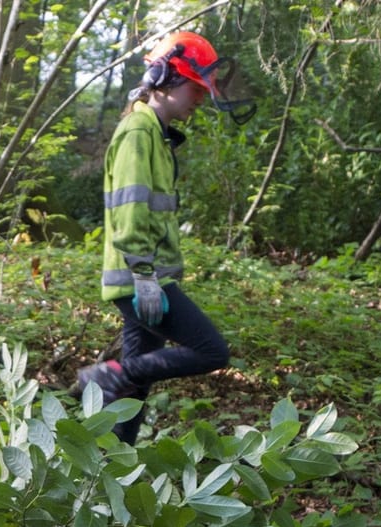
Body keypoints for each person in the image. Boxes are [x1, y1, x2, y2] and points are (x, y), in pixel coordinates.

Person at [75, 30, 241, 444]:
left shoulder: (156, 134)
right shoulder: (138, 132)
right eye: (194, 87)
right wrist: (144, 275)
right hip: (141, 280)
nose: (200, 98)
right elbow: (131, 210)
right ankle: (110, 373)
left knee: (133, 392)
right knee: (211, 351)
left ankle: (109, 467)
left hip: (146, 277)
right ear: (165, 79)